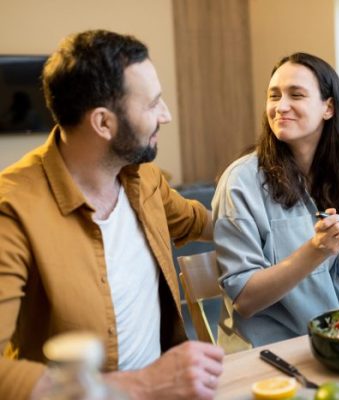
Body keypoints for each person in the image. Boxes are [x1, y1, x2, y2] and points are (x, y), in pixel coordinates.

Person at [0, 30, 223, 400]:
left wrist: (278, 220)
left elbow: (200, 222)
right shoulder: (13, 211)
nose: (165, 115)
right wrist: (143, 385)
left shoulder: (145, 179)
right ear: (103, 123)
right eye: (152, 104)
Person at [212, 52, 339, 347]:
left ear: (329, 107)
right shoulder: (240, 182)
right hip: (268, 353)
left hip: (337, 337)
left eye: (296, 95)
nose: (280, 107)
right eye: (274, 96)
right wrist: (316, 249)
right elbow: (245, 299)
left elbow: (338, 277)